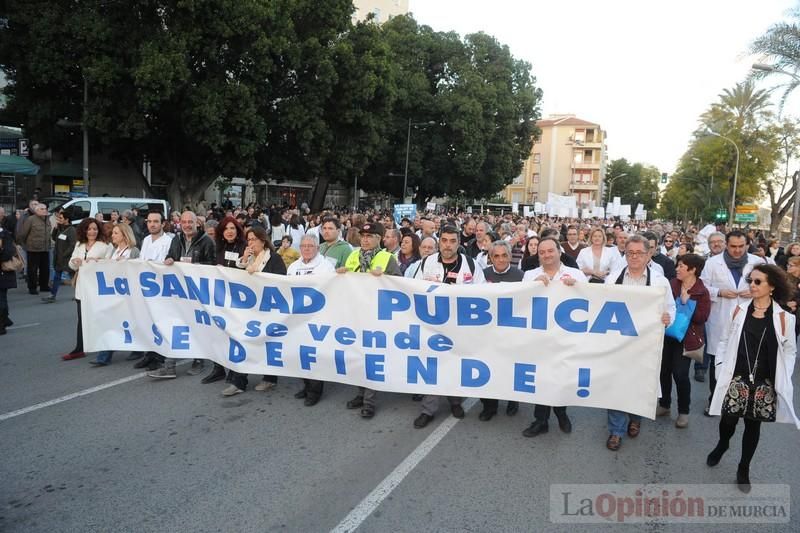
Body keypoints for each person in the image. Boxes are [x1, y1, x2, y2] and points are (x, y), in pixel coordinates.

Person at [707, 265, 800, 492]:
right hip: (737, 375)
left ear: (772, 287)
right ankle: (723, 444)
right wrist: (720, 366)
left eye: (758, 282)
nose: (752, 285)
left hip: (764, 380)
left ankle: (744, 467)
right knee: (728, 419)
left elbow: (790, 349)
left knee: (752, 424)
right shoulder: (739, 311)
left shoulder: (785, 318)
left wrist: (784, 374)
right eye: (751, 280)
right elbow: (724, 340)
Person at [604, 235, 675, 451]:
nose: (634, 257)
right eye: (630, 253)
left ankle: (636, 418)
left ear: (648, 254)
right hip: (617, 343)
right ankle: (616, 431)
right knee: (615, 385)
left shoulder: (660, 282)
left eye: (639, 253)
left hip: (646, 345)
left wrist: (667, 319)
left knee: (639, 384)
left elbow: (670, 308)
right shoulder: (613, 278)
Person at [412, 225, 485, 428]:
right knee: (434, 367)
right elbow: (412, 290)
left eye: (453, 241)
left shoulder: (470, 265)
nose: (448, 245)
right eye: (444, 240)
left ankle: (455, 401)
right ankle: (428, 410)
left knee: (455, 365)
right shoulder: (427, 263)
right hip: (432, 326)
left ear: (459, 243)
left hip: (459, 326)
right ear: (439, 241)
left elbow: (484, 294)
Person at [521, 237, 588, 437]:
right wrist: (532, 286)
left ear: (559, 252)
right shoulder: (530, 275)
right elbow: (519, 302)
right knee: (541, 378)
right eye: (542, 252)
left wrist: (578, 287)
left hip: (566, 337)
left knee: (562, 376)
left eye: (551, 251)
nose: (547, 255)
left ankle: (561, 413)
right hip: (539, 337)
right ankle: (540, 420)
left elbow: (591, 300)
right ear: (538, 255)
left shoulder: (576, 274)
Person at [339, 222, 402, 418]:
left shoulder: (387, 258)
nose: (365, 239)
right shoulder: (352, 255)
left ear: (379, 239)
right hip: (356, 315)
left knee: (372, 358)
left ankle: (369, 401)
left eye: (370, 236)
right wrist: (340, 275)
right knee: (358, 356)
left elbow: (400, 286)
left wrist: (384, 279)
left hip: (377, 317)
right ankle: (360, 392)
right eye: (363, 236)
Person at [219, 226, 287, 395]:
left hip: (268, 309)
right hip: (248, 310)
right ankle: (238, 382)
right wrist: (243, 261)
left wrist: (259, 276)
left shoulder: (274, 259)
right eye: (248, 240)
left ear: (263, 241)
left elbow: (281, 281)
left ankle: (270, 379)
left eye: (253, 239)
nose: (250, 243)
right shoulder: (247, 260)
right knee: (243, 341)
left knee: (267, 344)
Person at [147, 210, 216, 379]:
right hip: (179, 291)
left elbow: (213, 265)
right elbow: (171, 255)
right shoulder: (176, 239)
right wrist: (170, 259)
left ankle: (199, 360)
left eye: (190, 222)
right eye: (183, 222)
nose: (186, 225)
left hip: (198, 292)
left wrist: (194, 265)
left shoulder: (206, 241)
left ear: (197, 223)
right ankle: (169, 366)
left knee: (197, 327)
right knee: (175, 325)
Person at [700, 230, 762, 415]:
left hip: (748, 318)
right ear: (727, 245)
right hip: (720, 318)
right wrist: (718, 292)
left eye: (741, 246)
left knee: (745, 361)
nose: (736, 250)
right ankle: (714, 401)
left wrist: (754, 292)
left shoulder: (757, 263)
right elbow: (702, 287)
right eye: (733, 246)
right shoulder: (712, 263)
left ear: (747, 245)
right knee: (717, 361)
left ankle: (739, 400)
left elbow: (766, 286)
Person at [656, 254, 710, 428]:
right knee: (663, 371)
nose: (677, 269)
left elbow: (703, 317)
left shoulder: (702, 291)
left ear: (693, 270)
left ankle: (683, 411)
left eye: (681, 266)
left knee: (680, 374)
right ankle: (664, 404)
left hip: (685, 339)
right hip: (665, 335)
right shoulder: (671, 284)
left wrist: (687, 304)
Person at [287, 234, 335, 406]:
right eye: (304, 246)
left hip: (317, 317)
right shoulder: (293, 266)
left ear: (317, 248)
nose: (307, 249)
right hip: (298, 317)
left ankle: (315, 391)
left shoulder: (325, 266)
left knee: (314, 355)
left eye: (310, 246)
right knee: (300, 354)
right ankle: (306, 385)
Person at [478, 240, 524, 421]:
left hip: (512, 332)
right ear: (490, 258)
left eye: (504, 255)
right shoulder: (482, 275)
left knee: (510, 369)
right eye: (496, 256)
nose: (501, 259)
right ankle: (489, 406)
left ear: (510, 256)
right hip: (487, 332)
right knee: (488, 369)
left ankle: (513, 400)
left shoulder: (522, 276)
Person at [201, 215, 248, 384]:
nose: (229, 232)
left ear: (238, 230)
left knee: (235, 335)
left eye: (233, 228)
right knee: (217, 334)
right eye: (226, 229)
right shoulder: (217, 247)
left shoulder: (244, 246)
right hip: (219, 298)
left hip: (238, 300)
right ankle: (218, 368)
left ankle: (237, 372)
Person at [62, 218, 113, 361]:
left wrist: (97, 262)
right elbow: (71, 263)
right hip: (81, 286)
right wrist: (75, 262)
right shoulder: (79, 244)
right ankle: (79, 348)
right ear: (84, 230)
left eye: (95, 229)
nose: (92, 232)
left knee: (99, 317)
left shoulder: (105, 246)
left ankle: (104, 347)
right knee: (81, 317)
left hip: (97, 287)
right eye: (89, 229)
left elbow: (110, 265)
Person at [91, 223, 141, 366]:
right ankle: (104, 356)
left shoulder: (133, 251)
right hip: (115, 294)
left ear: (124, 235)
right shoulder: (114, 251)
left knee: (130, 323)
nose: (113, 235)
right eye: (113, 233)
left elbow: (138, 268)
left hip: (129, 293)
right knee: (111, 322)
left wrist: (127, 262)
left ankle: (137, 349)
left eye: (116, 233)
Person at [43, 207, 77, 303]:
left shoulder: (71, 230)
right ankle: (52, 295)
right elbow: (54, 238)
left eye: (61, 218)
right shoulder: (60, 229)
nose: (59, 220)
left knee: (73, 277)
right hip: (58, 258)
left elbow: (72, 245)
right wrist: (55, 229)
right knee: (57, 277)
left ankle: (79, 294)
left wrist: (65, 254)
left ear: (67, 220)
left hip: (67, 258)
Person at [18, 202, 51, 295]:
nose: (45, 210)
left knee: (45, 269)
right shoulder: (31, 220)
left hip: (45, 248)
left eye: (45, 209)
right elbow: (23, 234)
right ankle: (32, 287)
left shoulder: (47, 219)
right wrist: (24, 245)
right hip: (33, 249)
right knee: (32, 269)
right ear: (36, 211)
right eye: (42, 209)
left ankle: (44, 286)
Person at [0, 223, 17, 335]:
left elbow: (8, 253)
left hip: (3, 273)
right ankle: (5, 320)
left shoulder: (4, 234)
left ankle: (2, 324)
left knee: (2, 300)